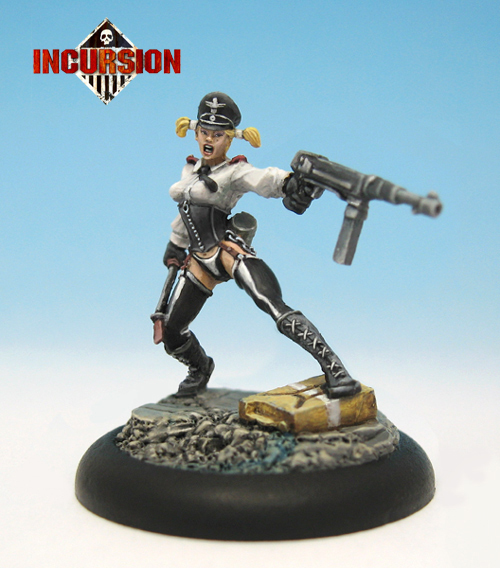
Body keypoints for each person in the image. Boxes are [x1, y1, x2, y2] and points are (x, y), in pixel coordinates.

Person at [152, 92, 361, 399]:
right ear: (195, 133)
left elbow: (265, 179)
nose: (209, 139)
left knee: (273, 305)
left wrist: (292, 184)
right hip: (197, 260)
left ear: (230, 139)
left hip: (227, 251)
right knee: (172, 332)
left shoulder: (234, 171)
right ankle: (200, 368)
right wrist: (175, 244)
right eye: (205, 132)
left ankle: (335, 369)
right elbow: (185, 213)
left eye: (218, 135)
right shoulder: (190, 171)